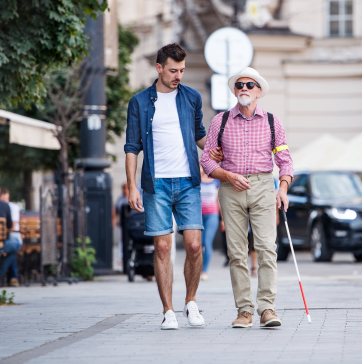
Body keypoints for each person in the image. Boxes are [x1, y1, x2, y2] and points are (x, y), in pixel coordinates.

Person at [201, 66, 293, 329]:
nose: (244, 88)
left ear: (259, 92)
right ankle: (244, 311)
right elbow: (206, 160)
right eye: (239, 85)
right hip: (231, 188)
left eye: (250, 85)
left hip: (263, 186)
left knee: (266, 248)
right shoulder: (220, 121)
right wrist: (227, 176)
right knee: (237, 253)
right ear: (234, 91)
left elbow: (285, 160)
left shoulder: (273, 122)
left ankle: (267, 309)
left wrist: (283, 188)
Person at [124, 43, 207, 330]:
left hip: (188, 182)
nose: (178, 76)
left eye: (182, 70)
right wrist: (132, 186)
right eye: (173, 70)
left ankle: (191, 303)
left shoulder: (192, 98)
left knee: (194, 245)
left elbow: (200, 137)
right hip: (155, 183)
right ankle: (168, 310)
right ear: (159, 68)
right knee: (162, 247)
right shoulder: (140, 102)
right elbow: (132, 147)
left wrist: (219, 149)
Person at [200, 166, 220, 281]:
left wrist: (223, 219)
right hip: (198, 216)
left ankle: (204, 270)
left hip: (212, 215)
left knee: (207, 243)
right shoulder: (195, 180)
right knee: (198, 244)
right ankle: (197, 267)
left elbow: (219, 200)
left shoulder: (216, 181)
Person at [0, 188, 22, 287]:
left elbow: (12, 226)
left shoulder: (13, 207)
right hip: (2, 237)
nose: (6, 202)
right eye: (3, 200)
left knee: (13, 246)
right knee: (12, 250)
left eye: (7, 199)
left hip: (13, 236)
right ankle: (13, 277)